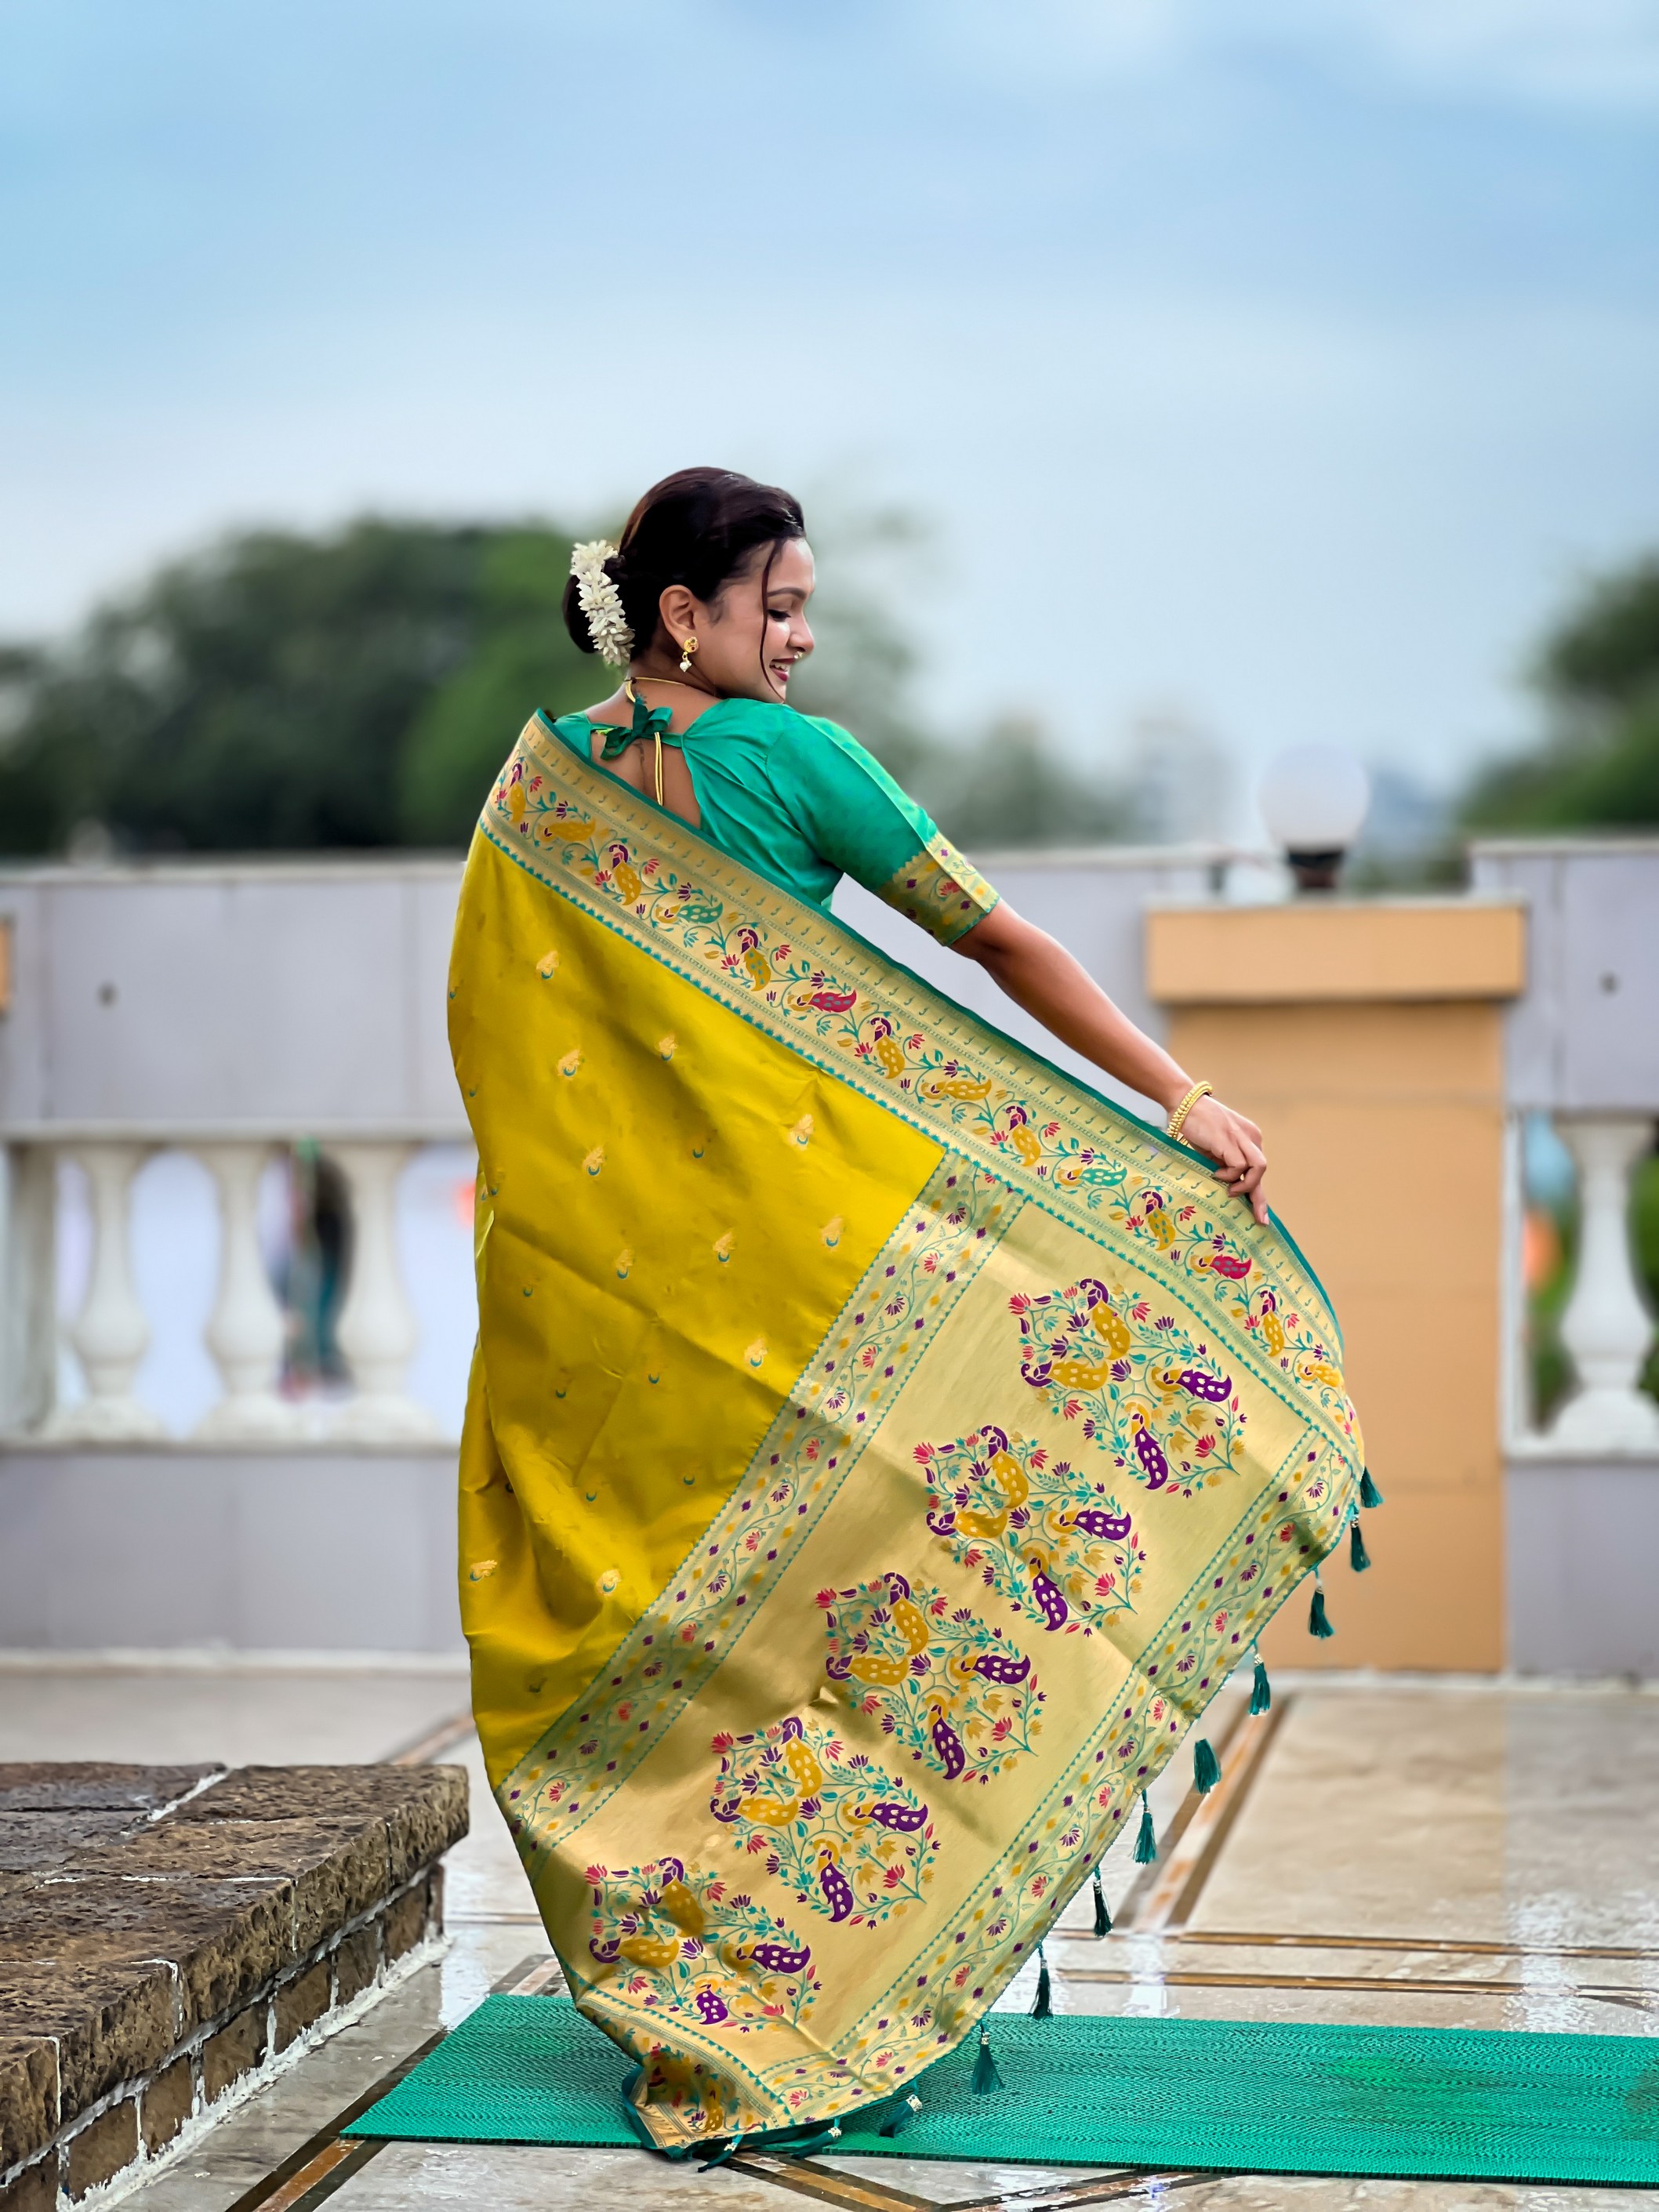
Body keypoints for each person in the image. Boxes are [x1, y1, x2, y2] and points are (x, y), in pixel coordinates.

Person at [449, 467, 1363, 2157]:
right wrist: (1174, 1096)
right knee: (867, 1586)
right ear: (682, 615)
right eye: (780, 607)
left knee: (683, 1623)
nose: (798, 640)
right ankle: (807, 1987)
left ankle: (700, 1978)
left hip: (630, 1313)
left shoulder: (538, 793)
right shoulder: (795, 760)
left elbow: (511, 1054)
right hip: (824, 1283)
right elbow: (998, 943)